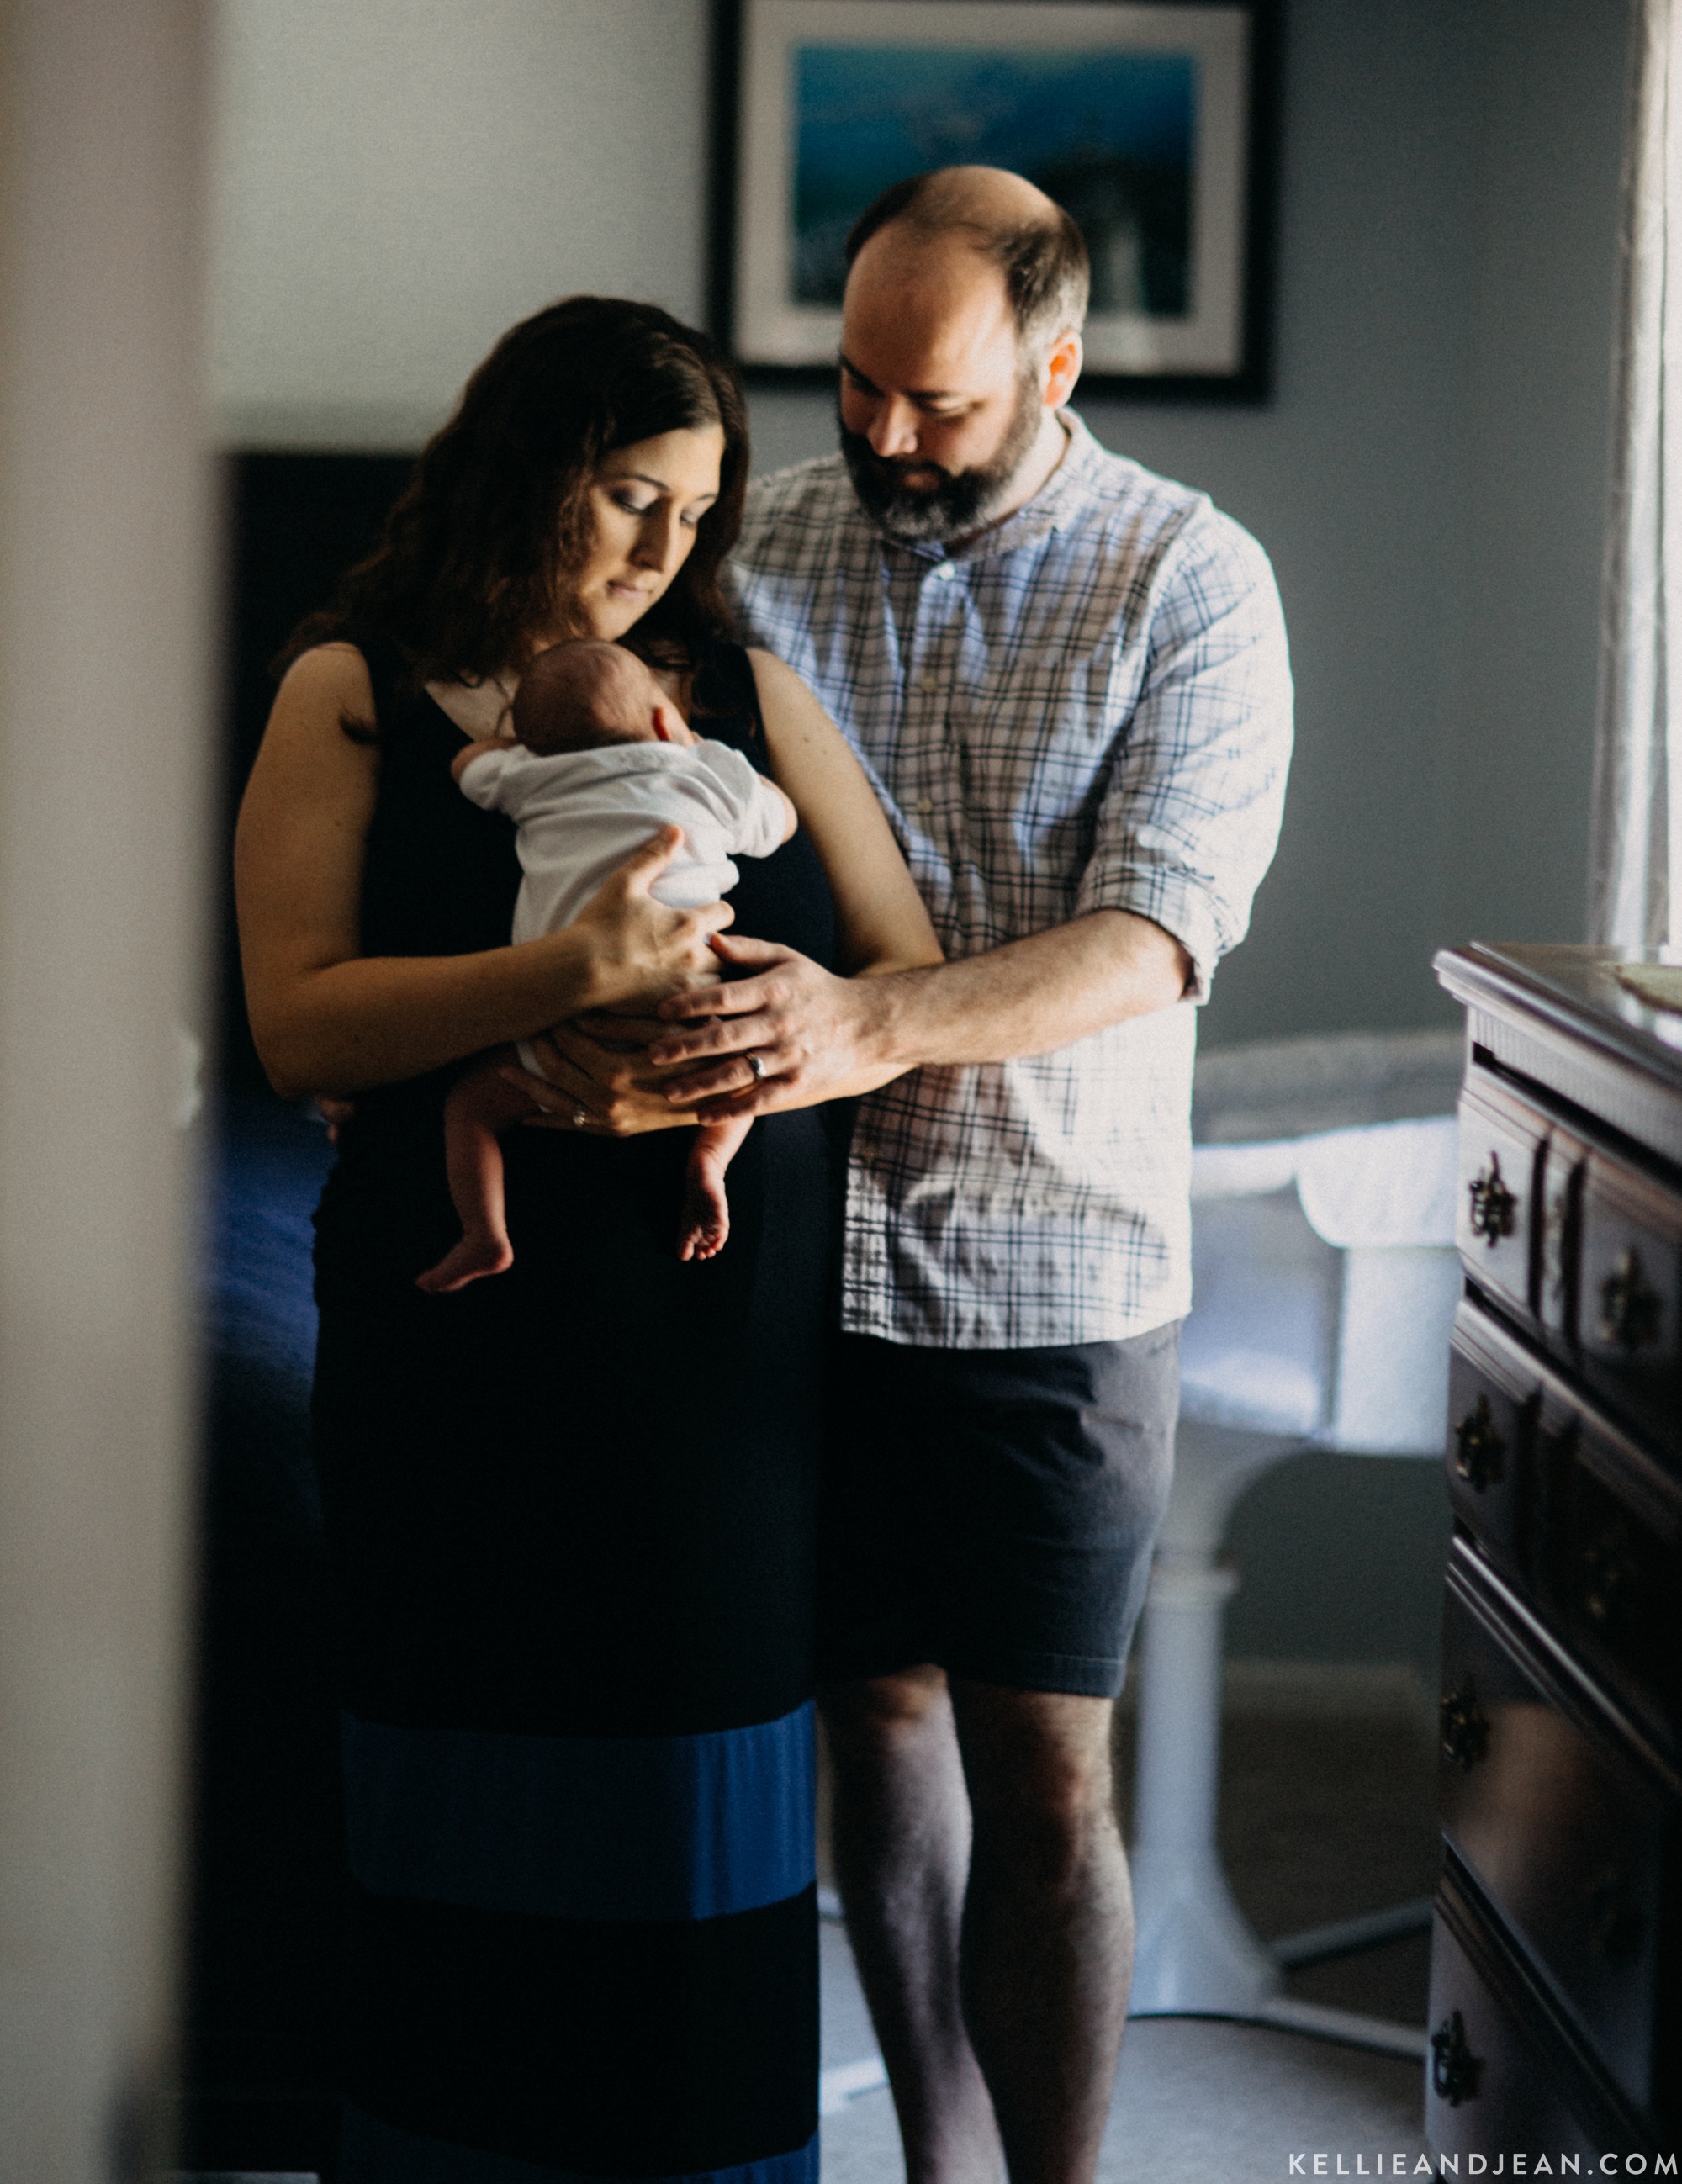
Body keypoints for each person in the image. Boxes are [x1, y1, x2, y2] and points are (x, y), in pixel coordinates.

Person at [530, 172, 1293, 2184]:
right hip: (781, 1251)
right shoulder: (751, 539)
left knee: (1043, 1766)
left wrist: (874, 1025)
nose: (875, 433)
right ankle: (940, 2168)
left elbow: (1151, 937)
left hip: (1049, 1264)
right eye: (850, 379)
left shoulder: (1189, 580)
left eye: (932, 401)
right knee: (864, 1718)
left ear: (1051, 366)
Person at [234, 294, 944, 2184]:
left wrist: (746, 1055)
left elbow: (901, 975)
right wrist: (563, 979)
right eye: (629, 497)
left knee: (694, 1795)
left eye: (693, 518)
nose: (659, 557)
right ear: (520, 466)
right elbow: (298, 1024)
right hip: (459, 1341)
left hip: (718, 1347)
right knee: (460, 1779)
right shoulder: (356, 688)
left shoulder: (742, 691)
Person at [418, 636, 796, 1289]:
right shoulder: (705, 773)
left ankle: (484, 1233)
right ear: (662, 720)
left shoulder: (531, 778)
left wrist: (518, 747)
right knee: (742, 1077)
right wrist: (719, 761)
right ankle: (708, 1161)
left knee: (472, 1107)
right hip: (693, 1006)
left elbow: (465, 765)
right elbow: (781, 821)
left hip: (557, 1023)